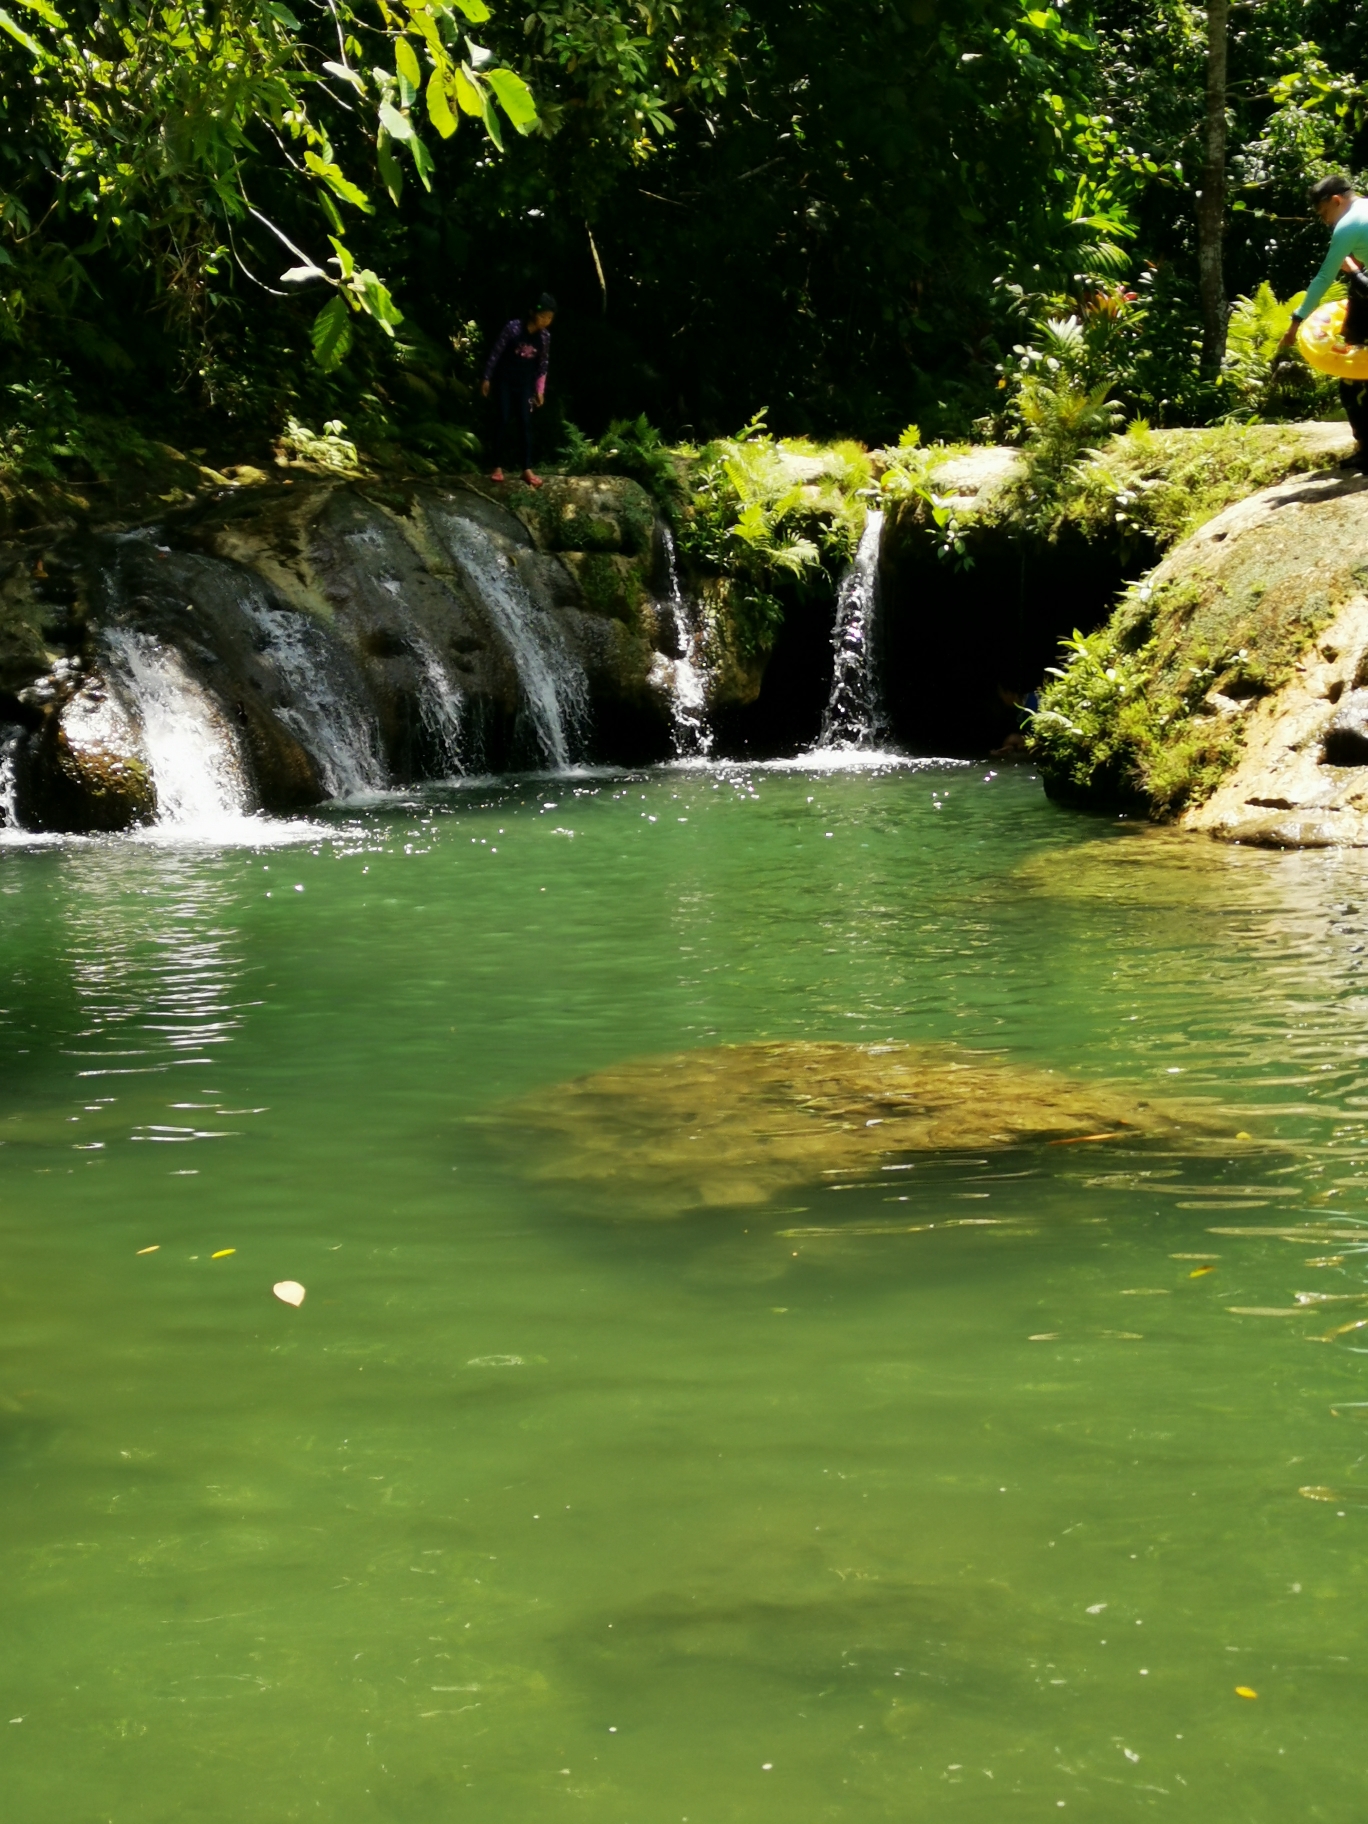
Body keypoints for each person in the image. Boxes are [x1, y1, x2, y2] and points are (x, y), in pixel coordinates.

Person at [1279, 174, 1368, 463]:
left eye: (1325, 213)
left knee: (1351, 381)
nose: (1326, 221)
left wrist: (1296, 321)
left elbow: (1323, 277)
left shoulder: (1347, 226)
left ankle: (1365, 449)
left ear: (1336, 200)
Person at [481, 293, 556, 488]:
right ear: (532, 313)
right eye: (543, 317)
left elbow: (543, 365)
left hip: (525, 385)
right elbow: (496, 352)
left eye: (550, 318)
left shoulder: (545, 337)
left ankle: (526, 469)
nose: (546, 321)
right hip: (505, 381)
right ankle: (496, 466)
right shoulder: (513, 328)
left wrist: (540, 391)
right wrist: (487, 377)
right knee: (503, 418)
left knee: (525, 422)